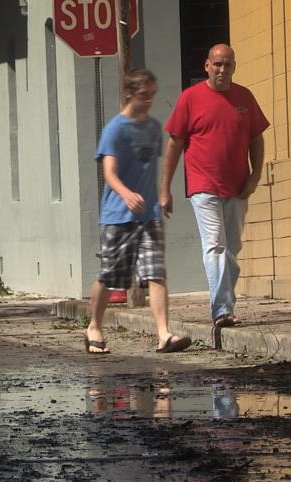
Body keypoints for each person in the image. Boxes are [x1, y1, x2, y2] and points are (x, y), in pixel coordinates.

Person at [160, 44, 269, 328]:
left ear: (234, 67)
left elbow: (256, 138)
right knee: (216, 246)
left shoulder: (244, 97)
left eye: (227, 64)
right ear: (207, 66)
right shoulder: (190, 98)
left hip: (237, 186)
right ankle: (222, 309)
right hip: (203, 185)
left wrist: (255, 176)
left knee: (231, 247)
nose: (222, 70)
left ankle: (225, 303)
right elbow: (174, 143)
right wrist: (165, 188)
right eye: (217, 64)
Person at [84, 69, 188, 354]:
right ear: (129, 94)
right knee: (110, 276)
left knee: (155, 272)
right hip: (117, 217)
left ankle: (164, 334)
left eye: (152, 95)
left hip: (149, 215)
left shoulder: (153, 127)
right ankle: (94, 326)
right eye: (144, 95)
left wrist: (164, 192)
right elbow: (109, 172)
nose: (149, 100)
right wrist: (127, 193)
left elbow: (153, 167)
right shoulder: (115, 129)